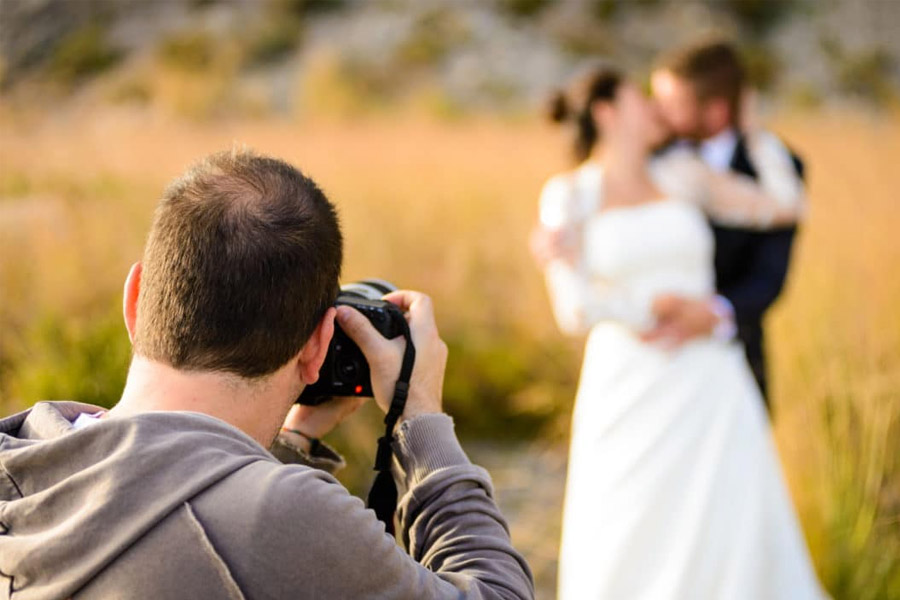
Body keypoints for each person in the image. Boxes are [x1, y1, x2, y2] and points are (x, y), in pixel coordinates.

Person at [0, 150, 534, 599]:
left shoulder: (20, 465)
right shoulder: (282, 519)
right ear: (319, 346)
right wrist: (422, 418)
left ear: (136, 300)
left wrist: (289, 442)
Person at [530, 67, 825, 599]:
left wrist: (754, 131)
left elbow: (787, 206)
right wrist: (652, 307)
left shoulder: (684, 175)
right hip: (626, 384)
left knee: (730, 519)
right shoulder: (568, 194)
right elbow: (572, 309)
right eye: (638, 99)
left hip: (710, 381)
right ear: (607, 113)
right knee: (628, 520)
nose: (655, 109)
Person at [650, 40, 806, 405]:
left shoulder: (777, 170)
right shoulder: (650, 156)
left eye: (673, 104)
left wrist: (714, 314)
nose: (658, 112)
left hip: (736, 354)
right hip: (655, 353)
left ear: (716, 112)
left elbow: (770, 275)